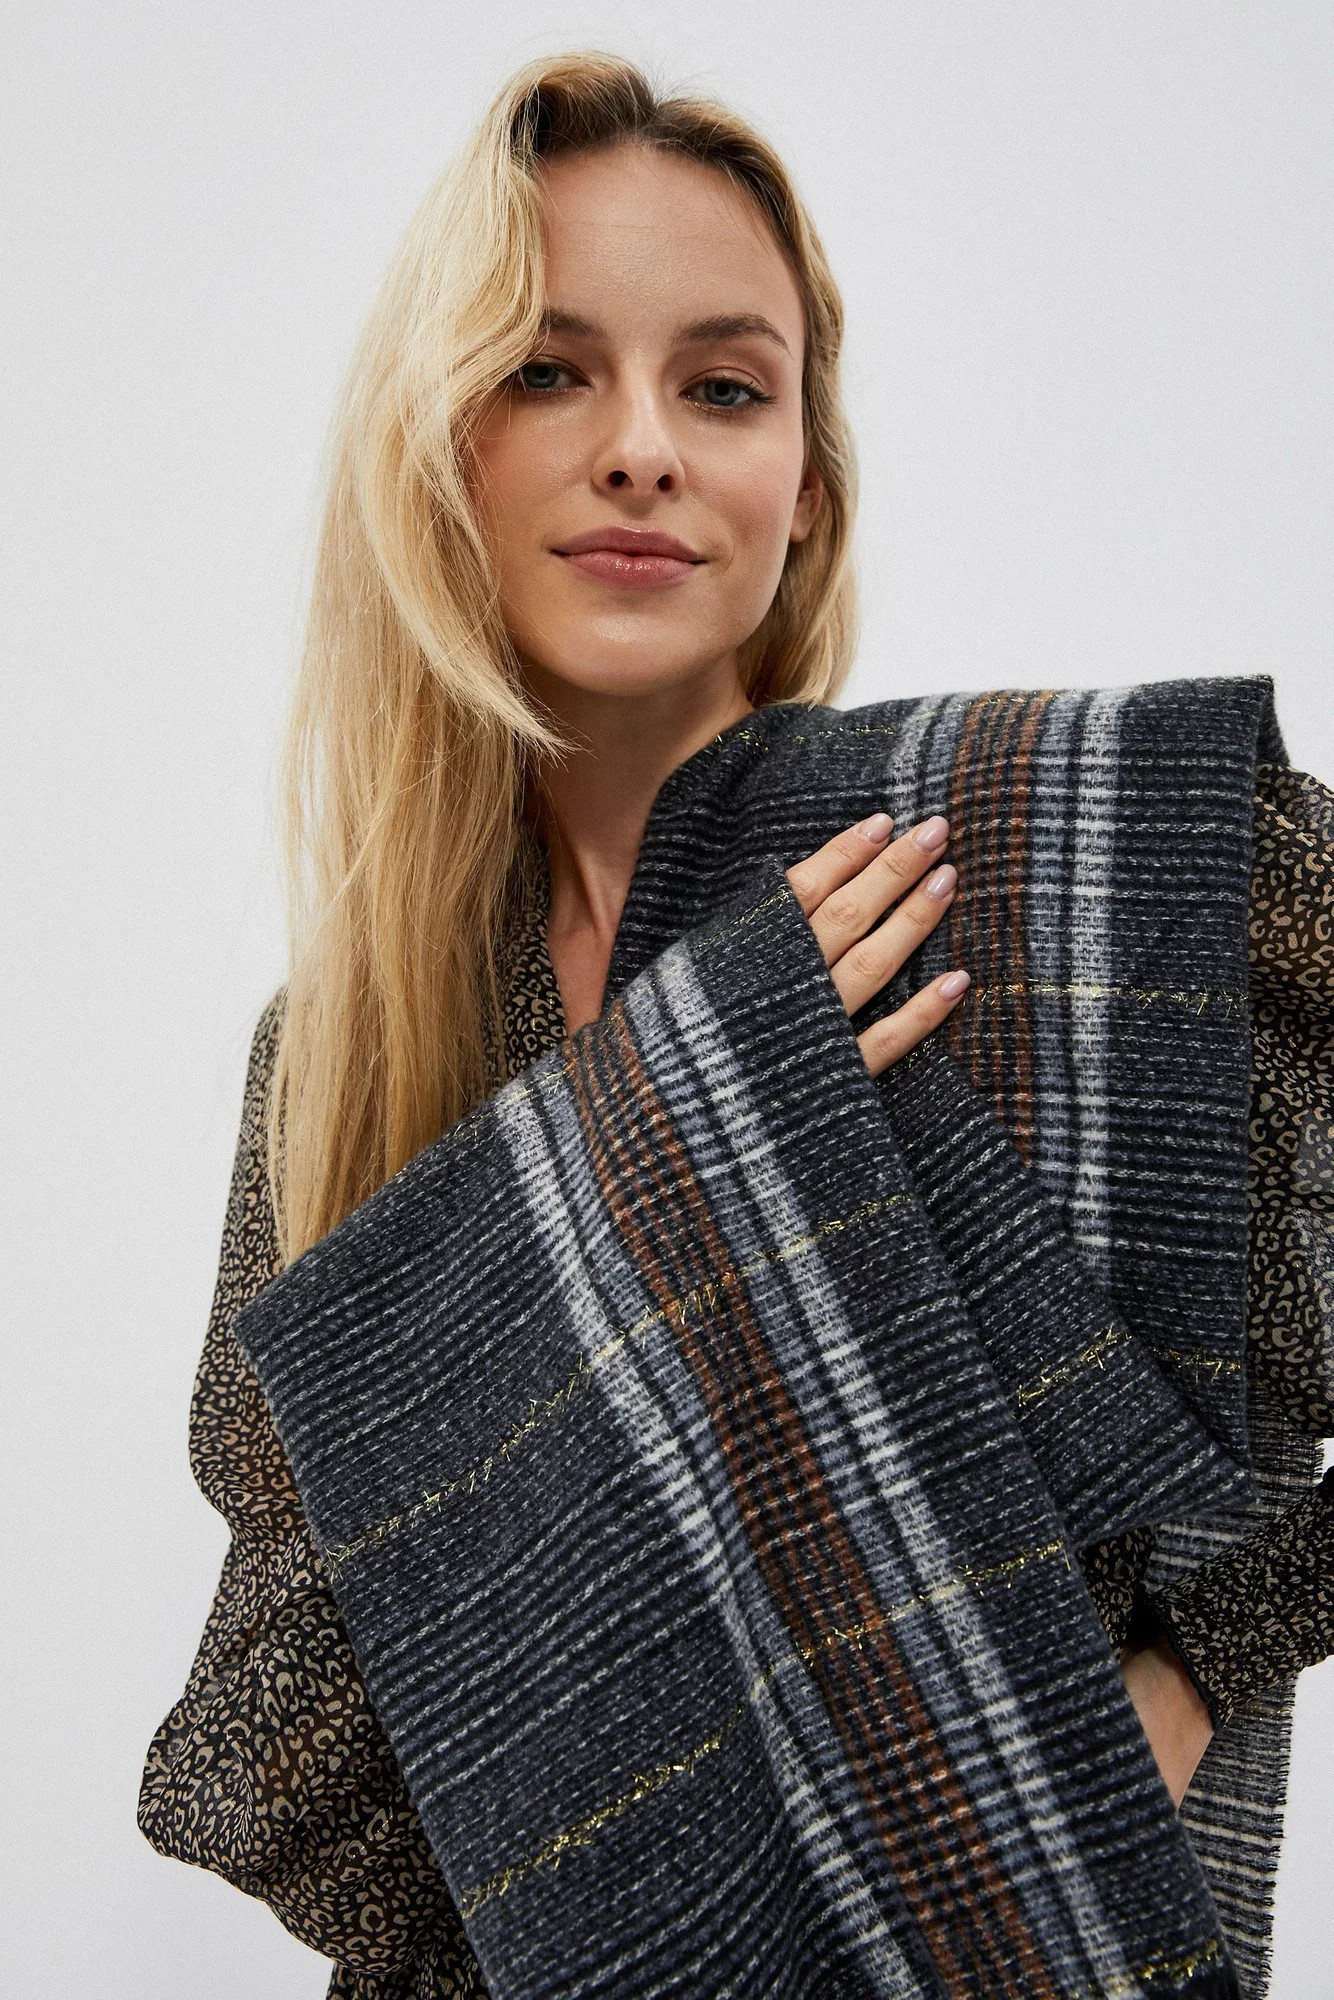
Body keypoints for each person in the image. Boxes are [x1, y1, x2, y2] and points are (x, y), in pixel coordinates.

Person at [139, 52, 1333, 2000]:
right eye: (548, 369)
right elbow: (269, 1765)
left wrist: (1202, 1657)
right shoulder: (348, 1037)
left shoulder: (1050, 862)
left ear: (805, 481)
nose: (640, 448)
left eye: (721, 385)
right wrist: (663, 1144)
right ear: (433, 449)